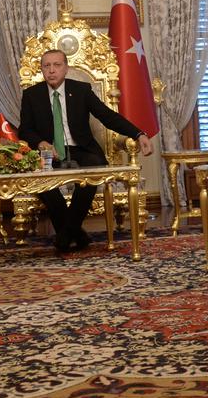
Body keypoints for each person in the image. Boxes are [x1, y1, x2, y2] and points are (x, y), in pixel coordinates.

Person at [18, 48, 154, 253]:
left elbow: (107, 116)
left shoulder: (81, 90)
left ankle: (65, 235)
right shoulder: (31, 95)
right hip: (49, 153)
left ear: (66, 68)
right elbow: (25, 129)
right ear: (42, 69)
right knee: (42, 183)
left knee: (94, 170)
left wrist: (138, 134)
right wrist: (40, 143)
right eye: (47, 66)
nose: (52, 70)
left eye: (57, 65)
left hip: (81, 149)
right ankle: (76, 234)